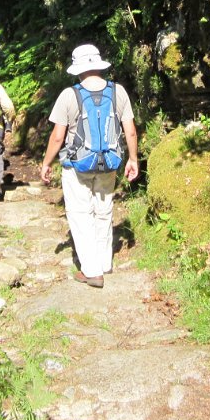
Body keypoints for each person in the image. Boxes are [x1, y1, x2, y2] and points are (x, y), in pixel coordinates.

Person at [40, 44, 138, 288]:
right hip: (109, 163)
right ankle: (104, 262)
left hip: (77, 165)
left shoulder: (69, 95)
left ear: (78, 68)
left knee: (80, 213)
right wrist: (133, 159)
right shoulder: (118, 91)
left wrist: (46, 163)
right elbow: (130, 131)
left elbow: (57, 137)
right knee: (103, 210)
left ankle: (92, 271)